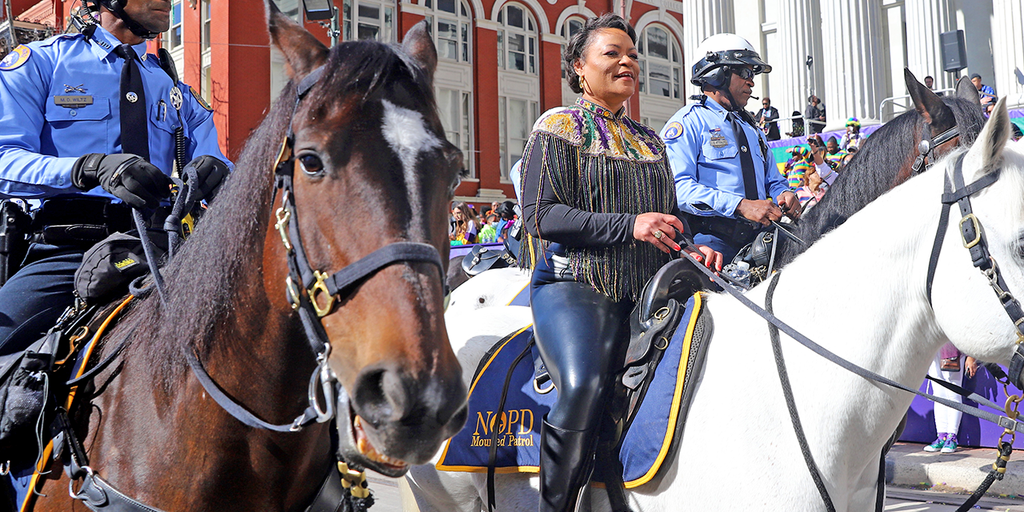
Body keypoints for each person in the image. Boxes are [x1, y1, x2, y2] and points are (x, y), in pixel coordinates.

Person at [519, 14, 722, 512]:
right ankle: (556, 506)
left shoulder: (651, 142)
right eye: (612, 53)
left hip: (647, 290)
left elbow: (669, 218)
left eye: (633, 54)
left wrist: (692, 247)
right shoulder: (557, 126)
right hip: (575, 286)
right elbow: (539, 215)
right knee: (587, 382)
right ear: (578, 67)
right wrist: (629, 225)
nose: (628, 60)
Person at [0, 0, 231, 357]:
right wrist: (88, 168)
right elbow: (4, 160)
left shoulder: (176, 91)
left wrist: (218, 172)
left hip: (161, 246)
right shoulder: (42, 64)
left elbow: (217, 159)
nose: (166, 1)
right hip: (68, 247)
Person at [661, 32, 799, 262]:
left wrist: (783, 193)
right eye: (745, 72)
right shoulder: (687, 123)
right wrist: (740, 205)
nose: (752, 81)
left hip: (761, 241)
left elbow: (773, 180)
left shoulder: (752, 128)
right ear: (717, 75)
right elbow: (679, 189)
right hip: (710, 246)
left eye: (753, 74)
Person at [923, 344, 977, 453]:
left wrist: (971, 356)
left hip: (953, 347)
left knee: (953, 393)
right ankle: (942, 436)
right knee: (938, 394)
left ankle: (952, 437)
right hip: (934, 347)